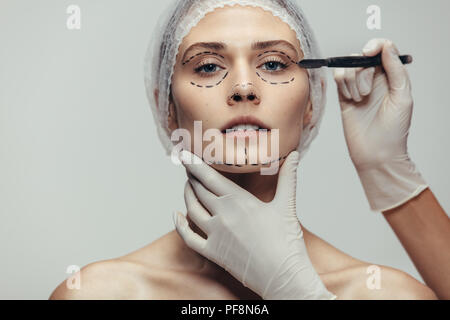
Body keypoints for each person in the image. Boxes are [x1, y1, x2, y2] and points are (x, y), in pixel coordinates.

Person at [49, 0, 441, 300]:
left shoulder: (387, 294)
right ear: (167, 109)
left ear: (312, 102)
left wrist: (299, 292)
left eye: (272, 64)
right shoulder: (98, 293)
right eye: (206, 66)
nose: (243, 87)